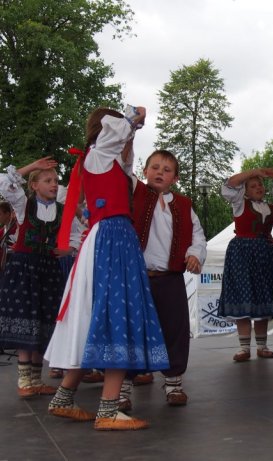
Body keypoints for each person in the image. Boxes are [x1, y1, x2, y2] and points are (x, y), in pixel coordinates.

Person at [44, 106, 169, 431]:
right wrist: (131, 115)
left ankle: (63, 397)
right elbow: (115, 135)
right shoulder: (97, 155)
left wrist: (132, 130)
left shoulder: (109, 162)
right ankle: (108, 409)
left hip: (113, 239)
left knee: (97, 318)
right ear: (106, 129)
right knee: (118, 315)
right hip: (111, 240)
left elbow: (124, 154)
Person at [117, 149, 206, 410]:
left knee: (174, 330)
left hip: (170, 278)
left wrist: (193, 254)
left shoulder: (184, 205)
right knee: (133, 331)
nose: (160, 172)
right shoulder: (134, 193)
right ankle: (123, 388)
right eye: (154, 167)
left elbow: (198, 236)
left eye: (167, 170)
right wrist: (129, 134)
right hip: (137, 278)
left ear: (175, 178)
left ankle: (173, 383)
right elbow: (123, 164)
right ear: (145, 172)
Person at [0, 159, 81, 398]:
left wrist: (69, 249)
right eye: (48, 181)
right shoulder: (24, 205)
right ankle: (25, 380)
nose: (54, 184)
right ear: (33, 185)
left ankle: (36, 379)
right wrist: (30, 166)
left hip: (49, 270)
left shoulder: (62, 210)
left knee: (43, 323)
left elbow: (78, 232)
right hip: (25, 269)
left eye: (56, 180)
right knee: (26, 321)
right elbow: (4, 183)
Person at [219, 168, 273, 361]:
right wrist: (253, 172)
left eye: (260, 185)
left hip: (265, 254)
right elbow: (230, 184)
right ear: (245, 191)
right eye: (252, 186)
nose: (258, 188)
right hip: (241, 253)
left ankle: (262, 346)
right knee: (243, 296)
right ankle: (243, 348)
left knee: (262, 298)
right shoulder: (240, 203)